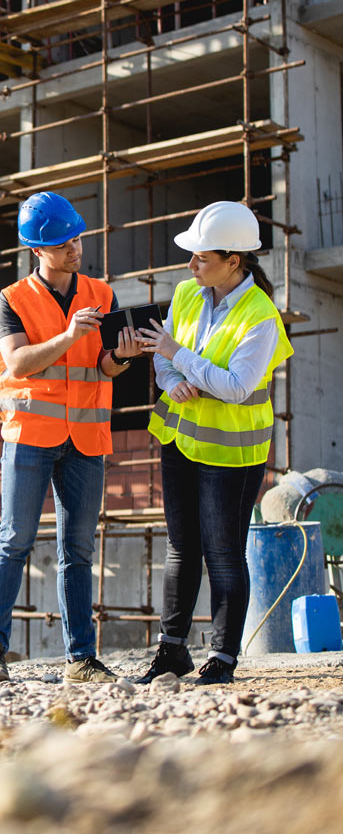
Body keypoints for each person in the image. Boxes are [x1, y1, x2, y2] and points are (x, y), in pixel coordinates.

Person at [0, 191, 143, 684]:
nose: (76, 248)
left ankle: (82, 660)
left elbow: (104, 367)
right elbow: (18, 362)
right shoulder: (13, 299)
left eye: (77, 238)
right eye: (64, 242)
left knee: (78, 549)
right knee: (15, 540)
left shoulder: (102, 293)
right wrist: (69, 335)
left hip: (86, 441)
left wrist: (126, 356)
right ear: (38, 249)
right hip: (30, 435)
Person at [136, 201, 292, 685]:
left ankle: (222, 659)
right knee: (181, 549)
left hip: (232, 451)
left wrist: (177, 355)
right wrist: (169, 377)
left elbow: (238, 385)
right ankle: (172, 650)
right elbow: (162, 353)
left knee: (224, 552)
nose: (191, 265)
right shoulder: (187, 293)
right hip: (180, 439)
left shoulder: (260, 315)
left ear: (234, 261)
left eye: (201, 257)